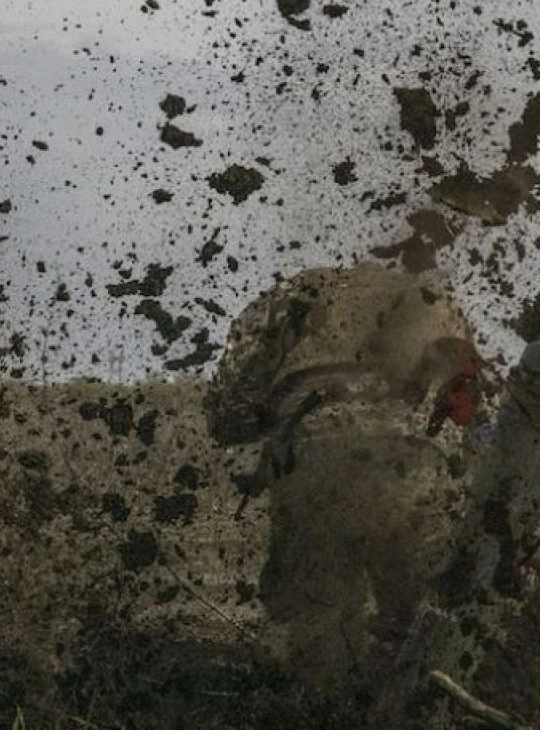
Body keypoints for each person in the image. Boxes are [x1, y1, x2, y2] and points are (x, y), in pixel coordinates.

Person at [205, 264, 488, 696]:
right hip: (418, 468)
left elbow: (228, 412)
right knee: (425, 614)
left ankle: (326, 705)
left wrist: (268, 418)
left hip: (317, 456)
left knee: (317, 618)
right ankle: (423, 707)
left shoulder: (295, 298)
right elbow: (475, 413)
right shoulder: (433, 299)